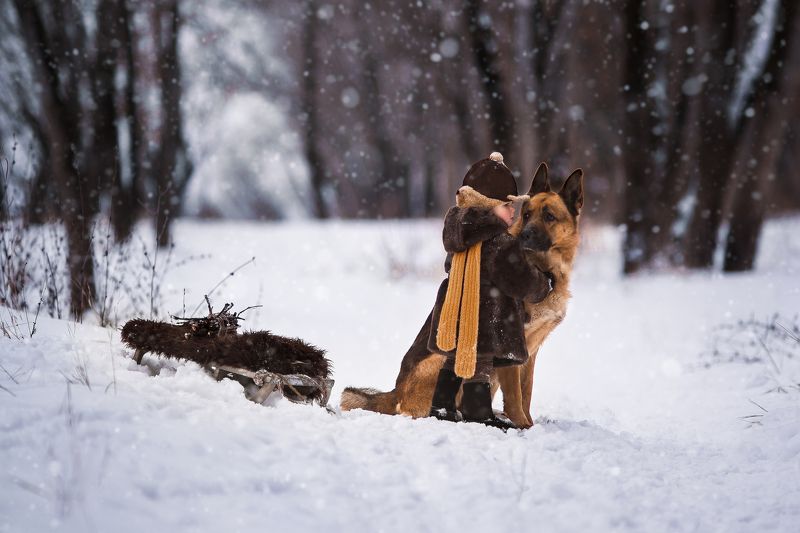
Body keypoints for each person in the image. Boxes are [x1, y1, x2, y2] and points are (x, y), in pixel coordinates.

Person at [427, 152, 552, 430]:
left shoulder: (459, 232)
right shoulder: (499, 243)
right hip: (484, 315)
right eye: (507, 206)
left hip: (451, 309)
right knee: (480, 361)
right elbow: (518, 279)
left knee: (453, 357)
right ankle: (477, 410)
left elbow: (451, 265)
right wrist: (543, 286)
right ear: (489, 206)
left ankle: (442, 404)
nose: (513, 212)